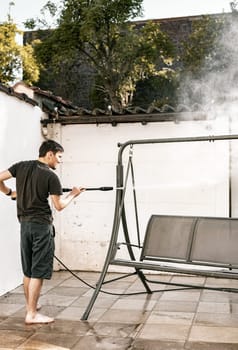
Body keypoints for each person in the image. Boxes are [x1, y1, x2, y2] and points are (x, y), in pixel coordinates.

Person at [0, 139, 84, 325]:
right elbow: (59, 205)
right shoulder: (51, 176)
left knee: (28, 269)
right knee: (38, 270)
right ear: (50, 154)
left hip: (24, 225)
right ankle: (31, 314)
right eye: (59, 157)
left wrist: (10, 193)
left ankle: (31, 305)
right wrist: (73, 194)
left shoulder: (21, 166)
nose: (60, 161)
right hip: (41, 227)